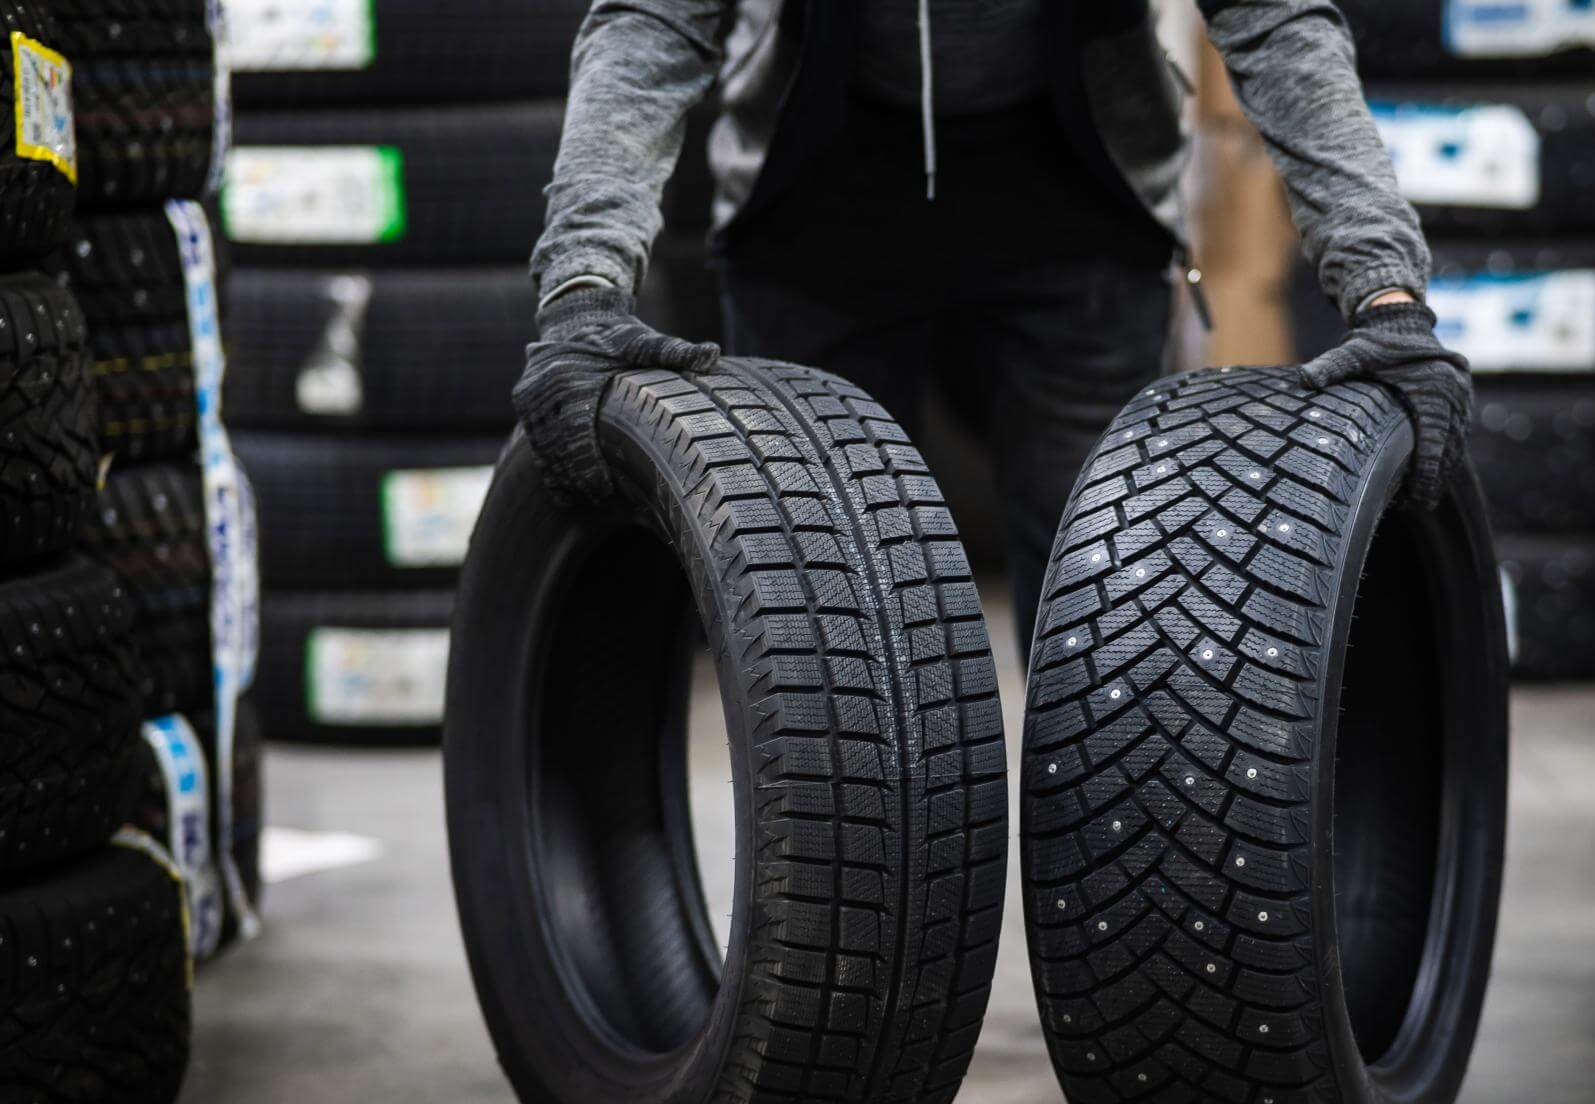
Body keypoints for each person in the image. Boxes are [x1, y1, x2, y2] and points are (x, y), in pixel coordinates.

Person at [515, 0, 1470, 650]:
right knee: (820, 640)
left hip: (1072, 201)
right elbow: (650, 24)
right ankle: (840, 931)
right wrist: (585, 287)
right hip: (818, 209)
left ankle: (1125, 912)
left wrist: (1385, 290)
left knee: (1117, 619)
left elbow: (1276, 22)